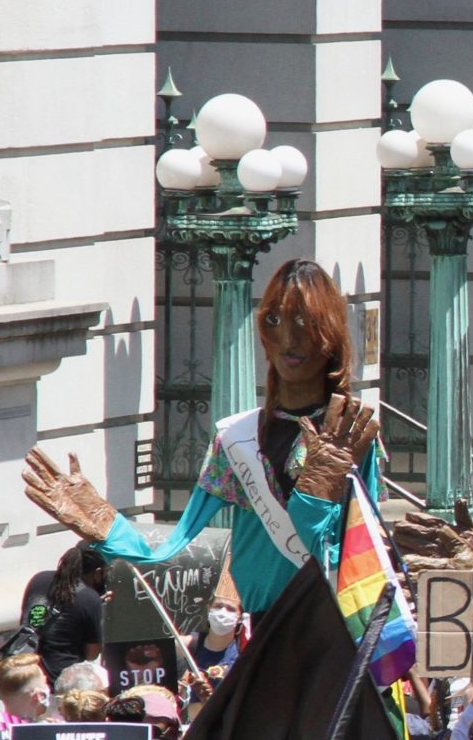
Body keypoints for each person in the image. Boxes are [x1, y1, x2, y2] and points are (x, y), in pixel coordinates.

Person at [23, 260, 383, 613]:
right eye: (275, 320)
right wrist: (108, 527)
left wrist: (314, 502)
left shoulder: (351, 434)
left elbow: (361, 555)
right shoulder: (238, 437)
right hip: (263, 627)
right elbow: (171, 550)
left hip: (332, 625)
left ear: (330, 331)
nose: (289, 339)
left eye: (304, 322)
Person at [19, 541, 104, 687]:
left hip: (27, 674)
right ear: (97, 572)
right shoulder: (90, 599)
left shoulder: (38, 579)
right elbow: (92, 654)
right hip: (61, 681)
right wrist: (97, 610)